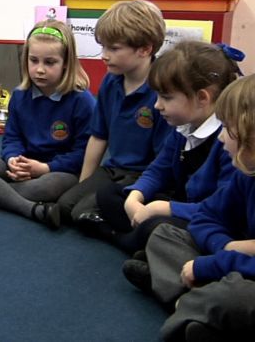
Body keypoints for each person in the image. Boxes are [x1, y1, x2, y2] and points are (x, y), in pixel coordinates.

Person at [123, 74, 255, 341]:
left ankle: (183, 303)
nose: (220, 140)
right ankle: (201, 305)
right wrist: (225, 248)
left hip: (243, 276)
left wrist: (214, 264)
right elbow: (206, 216)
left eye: (226, 128)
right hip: (235, 257)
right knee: (164, 234)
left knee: (237, 294)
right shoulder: (246, 174)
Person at [97, 42, 241, 253]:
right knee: (109, 194)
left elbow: (223, 209)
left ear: (202, 97)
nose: (157, 105)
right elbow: (159, 169)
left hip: (209, 219)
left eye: (166, 97)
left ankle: (124, 239)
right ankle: (147, 246)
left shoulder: (229, 142)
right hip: (180, 204)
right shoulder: (182, 127)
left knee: (158, 227)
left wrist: (165, 208)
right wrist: (136, 196)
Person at [0, 20, 95, 229]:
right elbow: (12, 137)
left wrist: (45, 168)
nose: (39, 69)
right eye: (34, 61)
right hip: (22, 165)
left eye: (49, 62)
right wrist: (13, 159)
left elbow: (84, 154)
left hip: (57, 171)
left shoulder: (82, 101)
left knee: (48, 187)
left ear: (66, 63)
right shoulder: (20, 96)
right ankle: (31, 209)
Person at [56, 0, 171, 231]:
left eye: (114, 49)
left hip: (143, 176)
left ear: (145, 49)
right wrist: (84, 184)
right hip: (113, 170)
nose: (104, 56)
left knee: (82, 213)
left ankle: (138, 229)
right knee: (66, 206)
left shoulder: (163, 90)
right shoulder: (111, 81)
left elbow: (163, 159)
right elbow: (99, 136)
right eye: (103, 47)